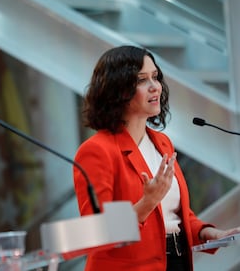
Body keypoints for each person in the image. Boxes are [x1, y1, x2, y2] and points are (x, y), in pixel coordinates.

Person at [73, 45, 240, 271]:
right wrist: (147, 203)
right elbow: (97, 232)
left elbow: (173, 214)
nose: (155, 87)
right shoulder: (96, 150)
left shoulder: (162, 143)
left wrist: (207, 232)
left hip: (177, 261)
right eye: (142, 80)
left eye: (156, 77)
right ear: (117, 90)